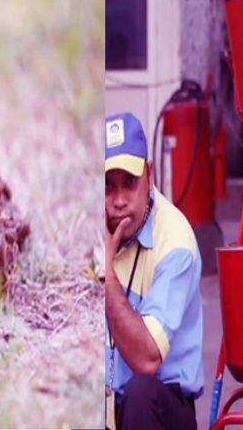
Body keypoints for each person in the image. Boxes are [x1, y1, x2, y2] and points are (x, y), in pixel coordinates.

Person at [104, 112, 204, 430]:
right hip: (110, 406)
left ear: (149, 174)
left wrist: (105, 269)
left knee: (141, 391)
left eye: (129, 183)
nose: (118, 200)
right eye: (107, 186)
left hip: (161, 412)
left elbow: (147, 358)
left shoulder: (175, 242)